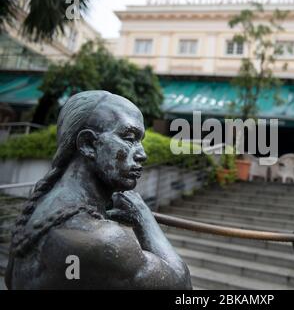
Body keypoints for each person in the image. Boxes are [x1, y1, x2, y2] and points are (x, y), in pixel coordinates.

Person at [6, 91, 191, 289]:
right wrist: (144, 217)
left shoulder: (38, 210)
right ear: (88, 144)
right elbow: (180, 285)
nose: (142, 154)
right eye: (129, 138)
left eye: (140, 140)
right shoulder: (102, 240)